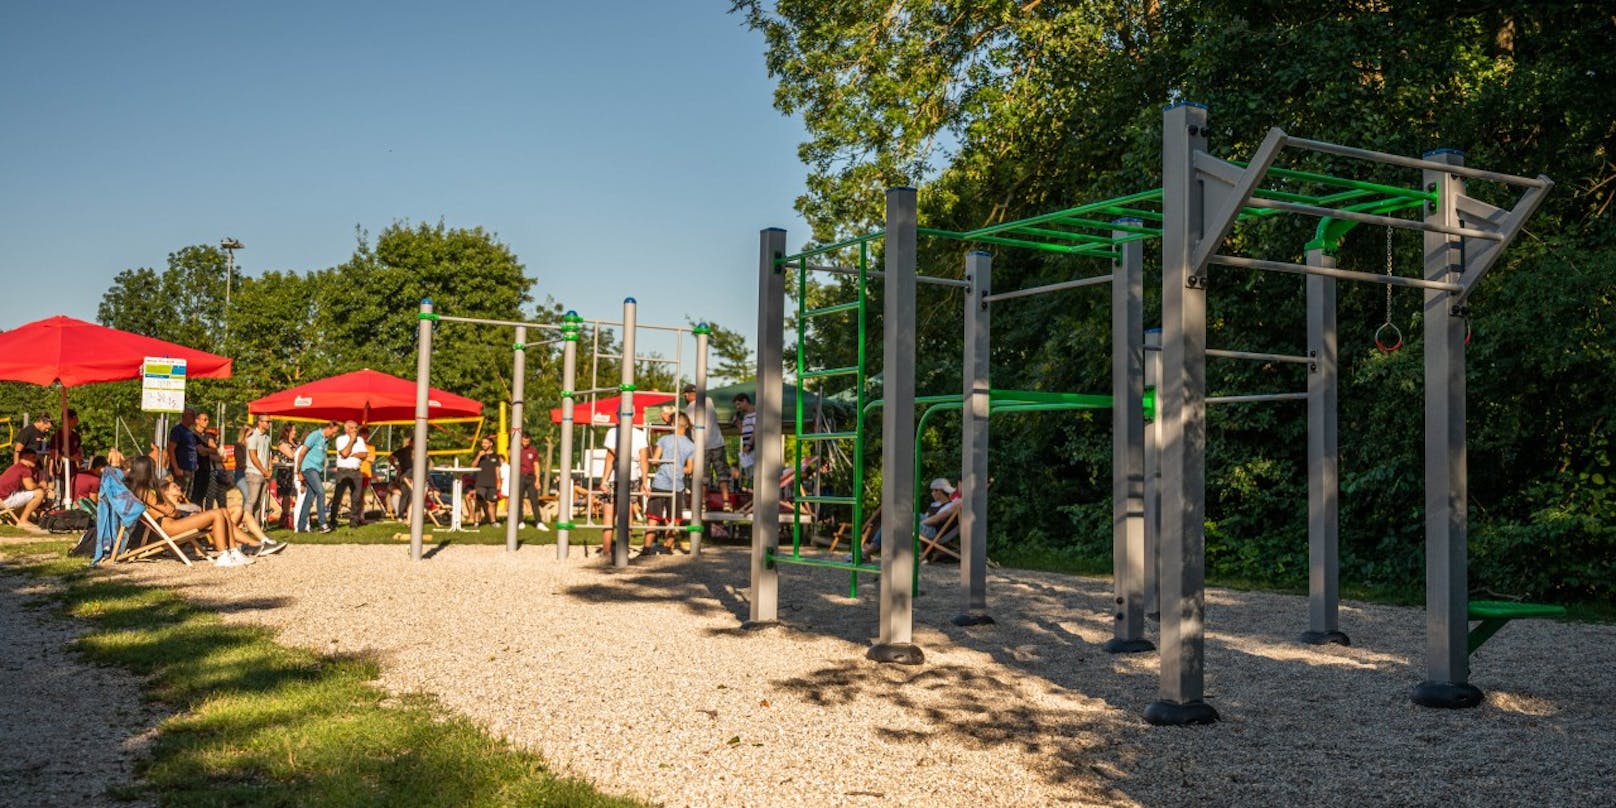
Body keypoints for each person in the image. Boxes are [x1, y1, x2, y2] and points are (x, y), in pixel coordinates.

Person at [124, 455, 254, 567]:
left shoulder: (148, 489)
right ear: (147, 471)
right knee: (217, 513)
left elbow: (169, 507)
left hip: (172, 522)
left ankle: (233, 551)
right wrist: (171, 509)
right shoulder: (142, 491)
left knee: (223, 511)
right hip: (169, 527)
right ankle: (223, 555)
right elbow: (170, 511)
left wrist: (169, 506)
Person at [642, 412, 696, 555]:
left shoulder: (664, 440)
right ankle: (668, 547)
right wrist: (677, 468)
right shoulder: (691, 445)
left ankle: (646, 549)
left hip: (660, 483)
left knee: (653, 517)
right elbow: (689, 469)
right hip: (677, 485)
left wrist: (654, 461)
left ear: (672, 425)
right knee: (673, 519)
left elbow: (655, 460)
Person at [599, 414, 650, 556]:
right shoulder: (639, 434)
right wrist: (645, 481)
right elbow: (644, 460)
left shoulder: (613, 432)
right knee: (627, 516)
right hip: (632, 476)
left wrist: (604, 479)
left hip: (615, 477)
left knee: (609, 516)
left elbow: (609, 458)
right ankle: (624, 550)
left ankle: (607, 551)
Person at [681, 383, 731, 503]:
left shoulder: (687, 411)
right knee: (722, 474)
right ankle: (726, 501)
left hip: (701, 447)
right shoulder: (709, 401)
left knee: (703, 475)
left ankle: (702, 501)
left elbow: (685, 427)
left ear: (686, 395)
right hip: (717, 444)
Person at [295, 421, 339, 533]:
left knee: (309, 499)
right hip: (309, 469)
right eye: (333, 432)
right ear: (329, 428)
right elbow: (302, 453)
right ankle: (322, 524)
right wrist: (298, 471)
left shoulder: (326, 441)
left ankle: (301, 527)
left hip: (316, 470)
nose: (334, 435)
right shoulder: (315, 435)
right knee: (321, 492)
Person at [327, 420, 368, 529]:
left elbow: (365, 455)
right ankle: (332, 520)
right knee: (338, 497)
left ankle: (354, 522)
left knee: (356, 497)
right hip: (343, 471)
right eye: (353, 428)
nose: (355, 430)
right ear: (347, 429)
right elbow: (344, 453)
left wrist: (354, 454)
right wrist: (351, 440)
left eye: (356, 428)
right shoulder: (340, 439)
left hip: (356, 471)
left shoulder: (360, 440)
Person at [0, 448, 47, 532]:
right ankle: (23, 521)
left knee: (29, 494)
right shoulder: (24, 468)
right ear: (25, 457)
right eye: (33, 457)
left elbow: (26, 488)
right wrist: (40, 485)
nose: (35, 460)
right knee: (39, 493)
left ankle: (18, 519)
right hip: (5, 500)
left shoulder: (15, 467)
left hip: (2, 499)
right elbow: (30, 486)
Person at [242, 414, 274, 523]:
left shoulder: (267, 438)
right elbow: (253, 456)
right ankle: (246, 524)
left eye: (270, 422)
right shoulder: (253, 437)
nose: (269, 424)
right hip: (254, 473)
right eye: (267, 421)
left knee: (259, 502)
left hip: (264, 473)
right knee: (252, 500)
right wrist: (264, 470)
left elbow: (269, 455)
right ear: (260, 422)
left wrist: (269, 469)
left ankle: (255, 525)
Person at [513, 433, 546, 529]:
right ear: (520, 440)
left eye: (527, 441)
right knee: (519, 500)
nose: (526, 443)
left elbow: (536, 465)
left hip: (531, 477)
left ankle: (539, 522)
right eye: (524, 441)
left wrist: (537, 480)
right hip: (520, 477)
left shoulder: (533, 450)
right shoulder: (516, 450)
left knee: (534, 500)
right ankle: (520, 521)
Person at [471, 436, 502, 527]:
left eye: (485, 442)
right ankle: (476, 522)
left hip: (492, 483)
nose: (483, 444)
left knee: (492, 502)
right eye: (483, 443)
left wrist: (499, 481)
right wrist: (479, 456)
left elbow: (497, 469)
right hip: (480, 483)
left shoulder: (496, 456)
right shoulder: (479, 454)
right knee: (479, 502)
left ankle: (493, 522)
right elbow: (473, 466)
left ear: (491, 444)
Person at [273, 423, 301, 529]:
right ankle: (285, 518)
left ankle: (295, 516)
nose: (295, 432)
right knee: (287, 495)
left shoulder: (297, 442)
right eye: (293, 430)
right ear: (287, 431)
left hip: (296, 470)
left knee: (296, 494)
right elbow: (291, 455)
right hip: (286, 471)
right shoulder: (282, 443)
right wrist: (297, 452)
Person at [732, 393, 757, 492]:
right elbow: (745, 432)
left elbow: (756, 430)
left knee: (755, 473)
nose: (738, 407)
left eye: (739, 404)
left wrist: (749, 444)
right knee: (750, 474)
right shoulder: (746, 416)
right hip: (748, 448)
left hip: (753, 447)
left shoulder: (755, 413)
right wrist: (738, 424)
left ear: (745, 401)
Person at [389, 436, 414, 521]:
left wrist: (396, 467)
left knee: (407, 496)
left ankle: (404, 515)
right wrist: (397, 467)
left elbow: (390, 457)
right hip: (406, 475)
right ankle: (401, 515)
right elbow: (390, 457)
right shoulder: (404, 451)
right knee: (406, 495)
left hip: (408, 475)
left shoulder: (406, 450)